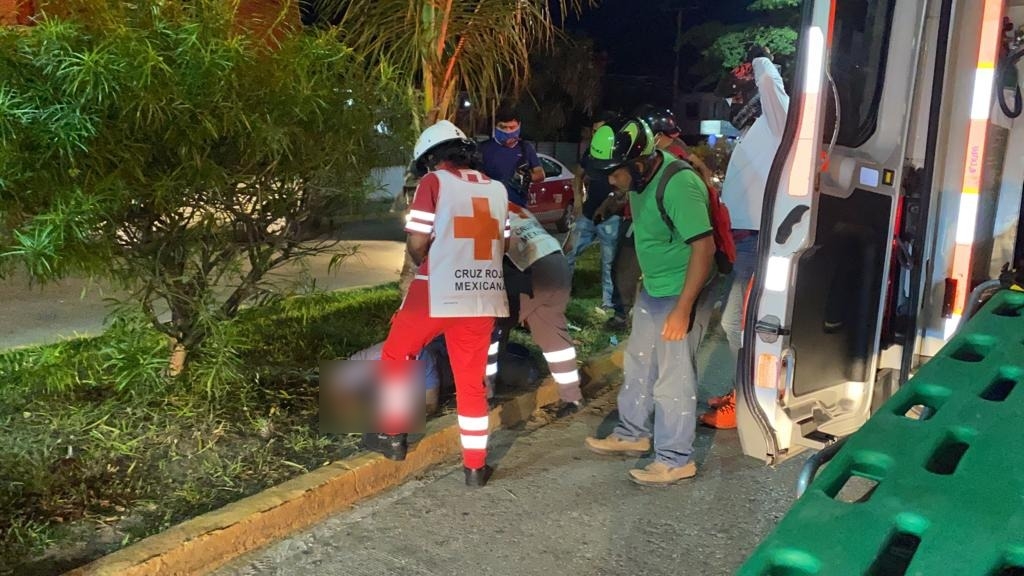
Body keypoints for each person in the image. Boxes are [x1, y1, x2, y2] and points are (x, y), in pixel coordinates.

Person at [365, 120, 510, 488]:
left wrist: (431, 260)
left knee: (397, 356)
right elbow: (504, 246)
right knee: (471, 383)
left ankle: (393, 436)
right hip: (483, 296)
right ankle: (475, 467)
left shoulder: (434, 183)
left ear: (432, 158)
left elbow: (416, 244)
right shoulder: (497, 189)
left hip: (436, 291)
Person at [583, 118, 716, 486]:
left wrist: (683, 308)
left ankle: (675, 459)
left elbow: (704, 248)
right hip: (655, 287)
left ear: (638, 165)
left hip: (683, 290)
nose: (610, 180)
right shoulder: (640, 179)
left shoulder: (680, 185)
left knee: (673, 376)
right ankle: (631, 434)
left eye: (614, 174)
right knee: (639, 361)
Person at [700, 44, 790, 430]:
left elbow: (772, 86)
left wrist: (760, 60)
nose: (733, 103)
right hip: (742, 238)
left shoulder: (778, 120)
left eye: (737, 95)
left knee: (740, 322)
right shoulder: (756, 131)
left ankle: (750, 397)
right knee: (739, 323)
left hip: (758, 238)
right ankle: (749, 389)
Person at [485, 202, 584, 417]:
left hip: (528, 268)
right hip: (556, 263)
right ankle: (572, 397)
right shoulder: (511, 205)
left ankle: (486, 395)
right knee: (554, 336)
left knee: (488, 328)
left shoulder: (481, 209)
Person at [567, 111, 625, 314]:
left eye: (599, 130)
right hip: (588, 213)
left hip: (611, 218)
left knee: (609, 262)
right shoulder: (591, 151)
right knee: (569, 252)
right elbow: (579, 174)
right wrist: (577, 200)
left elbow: (624, 188)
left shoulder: (620, 152)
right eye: (593, 131)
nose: (595, 134)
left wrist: (610, 204)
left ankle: (608, 302)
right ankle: (562, 293)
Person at [479, 105, 544, 208]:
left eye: (512, 127)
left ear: (519, 125)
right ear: (495, 126)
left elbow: (540, 174)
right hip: (490, 207)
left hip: (518, 207)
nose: (508, 131)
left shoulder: (526, 148)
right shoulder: (483, 148)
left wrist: (525, 177)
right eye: (503, 127)